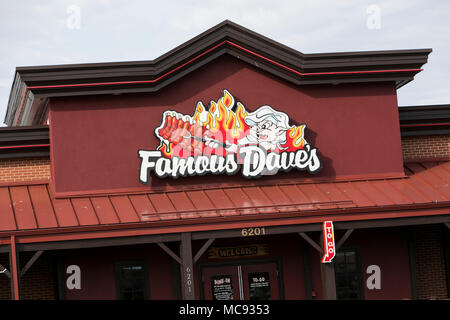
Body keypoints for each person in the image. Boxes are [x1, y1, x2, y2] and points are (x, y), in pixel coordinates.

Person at [205, 105, 291, 153]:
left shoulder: (272, 146)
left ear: (279, 131)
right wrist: (219, 144)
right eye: (256, 126)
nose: (258, 130)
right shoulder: (248, 139)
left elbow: (257, 152)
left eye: (264, 127)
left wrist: (237, 150)